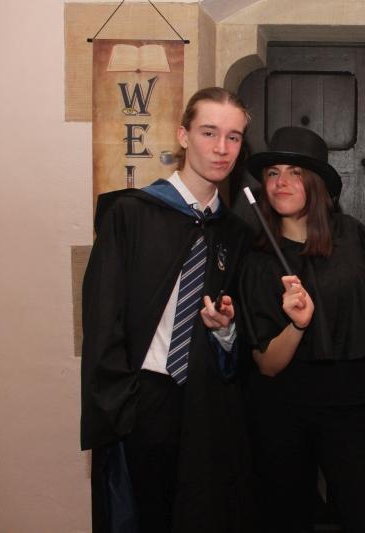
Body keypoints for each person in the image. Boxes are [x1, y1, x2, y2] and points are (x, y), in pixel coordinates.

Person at [80, 87, 255, 533]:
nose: (221, 148)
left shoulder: (234, 234)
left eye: (233, 137)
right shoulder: (131, 214)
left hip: (205, 406)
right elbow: (102, 318)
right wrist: (122, 406)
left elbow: (241, 336)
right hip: (143, 399)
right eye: (209, 132)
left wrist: (226, 330)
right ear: (183, 135)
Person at [237, 126, 365, 533]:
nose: (280, 182)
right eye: (273, 173)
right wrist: (298, 325)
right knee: (288, 516)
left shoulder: (348, 233)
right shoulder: (258, 260)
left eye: (295, 173)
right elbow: (267, 365)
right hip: (283, 410)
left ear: (315, 183)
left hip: (349, 403)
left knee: (363, 514)